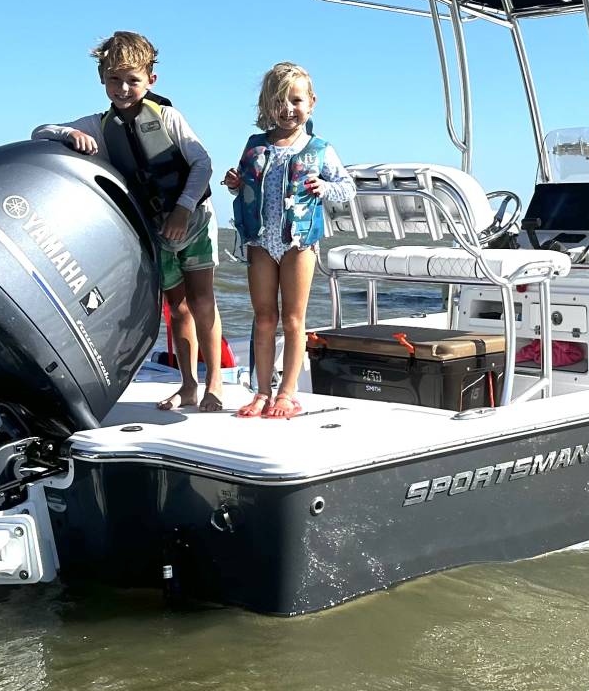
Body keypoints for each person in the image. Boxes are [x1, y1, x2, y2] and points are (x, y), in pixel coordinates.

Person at [33, 30, 227, 413]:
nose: (123, 88)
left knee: (202, 301)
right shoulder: (98, 124)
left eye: (132, 80)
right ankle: (188, 385)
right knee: (178, 308)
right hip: (156, 230)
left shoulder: (168, 117)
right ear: (102, 79)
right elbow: (40, 132)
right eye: (114, 80)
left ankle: (215, 384)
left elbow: (202, 163)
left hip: (194, 220)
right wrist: (69, 133)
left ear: (151, 80)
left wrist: (183, 208)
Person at [224, 62, 354, 420]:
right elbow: (248, 181)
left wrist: (325, 187)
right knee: (264, 318)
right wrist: (236, 182)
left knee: (294, 319)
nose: (288, 108)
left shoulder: (320, 148)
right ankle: (262, 391)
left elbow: (347, 188)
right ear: (267, 106)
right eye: (279, 101)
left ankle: (288, 391)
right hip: (262, 241)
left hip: (299, 242)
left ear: (311, 103)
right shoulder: (254, 145)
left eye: (296, 100)